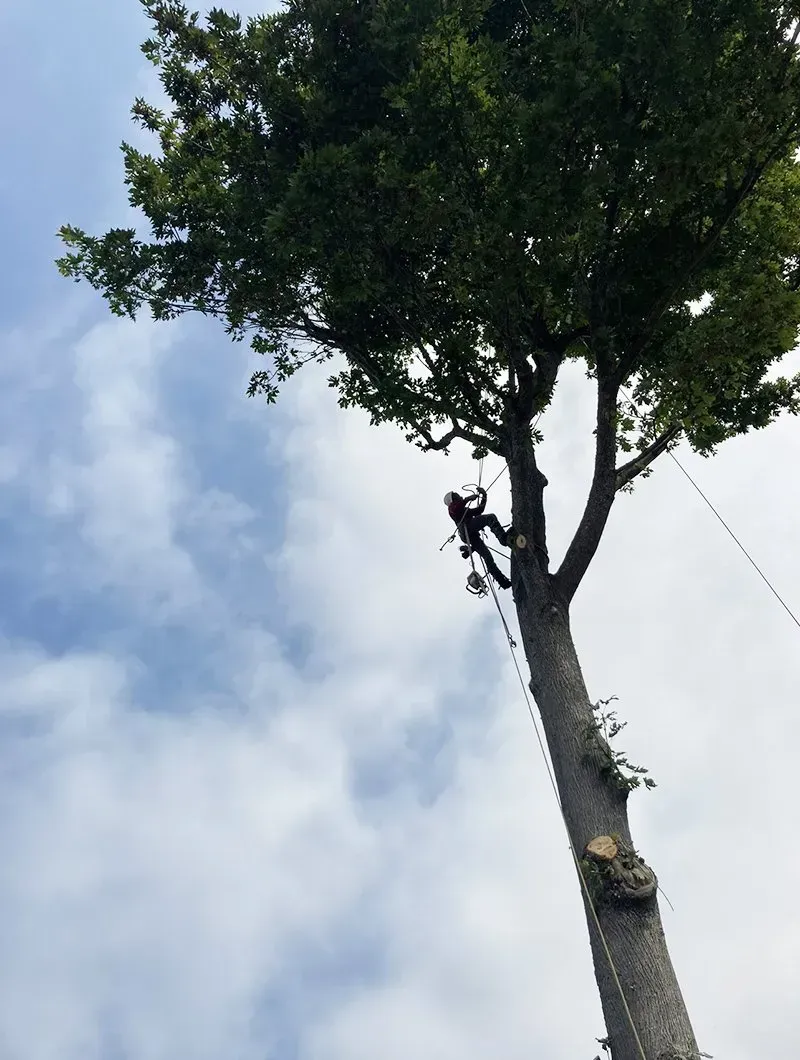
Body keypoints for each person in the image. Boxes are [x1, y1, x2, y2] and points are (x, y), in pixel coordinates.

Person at [444, 488, 511, 590]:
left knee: (487, 557)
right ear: (453, 500)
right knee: (490, 518)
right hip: (466, 528)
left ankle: (503, 582)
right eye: (456, 495)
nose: (459, 495)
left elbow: (479, 511)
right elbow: (456, 509)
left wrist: (484, 496)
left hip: (470, 535)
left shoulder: (463, 510)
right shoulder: (452, 509)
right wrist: (468, 499)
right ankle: (503, 538)